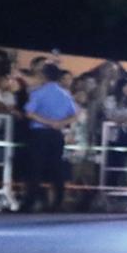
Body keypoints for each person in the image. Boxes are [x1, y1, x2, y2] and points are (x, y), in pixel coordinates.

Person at [22, 64, 78, 212]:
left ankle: (30, 202)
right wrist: (59, 123)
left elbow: (29, 112)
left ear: (43, 75)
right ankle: (58, 202)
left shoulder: (38, 92)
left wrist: (47, 122)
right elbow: (76, 115)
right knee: (56, 168)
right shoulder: (65, 94)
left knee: (35, 167)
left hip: (39, 133)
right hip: (56, 134)